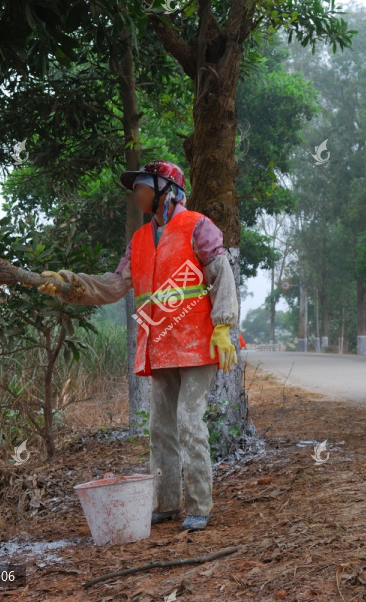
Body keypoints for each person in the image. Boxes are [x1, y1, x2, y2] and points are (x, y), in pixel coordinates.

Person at [37, 160, 239, 531]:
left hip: (197, 342)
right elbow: (115, 285)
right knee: (160, 427)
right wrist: (71, 283)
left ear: (168, 190)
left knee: (189, 421)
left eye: (144, 185)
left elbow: (221, 272)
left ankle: (199, 505)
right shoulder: (140, 240)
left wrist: (223, 326)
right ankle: (164, 503)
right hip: (161, 344)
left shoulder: (198, 226)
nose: (137, 193)